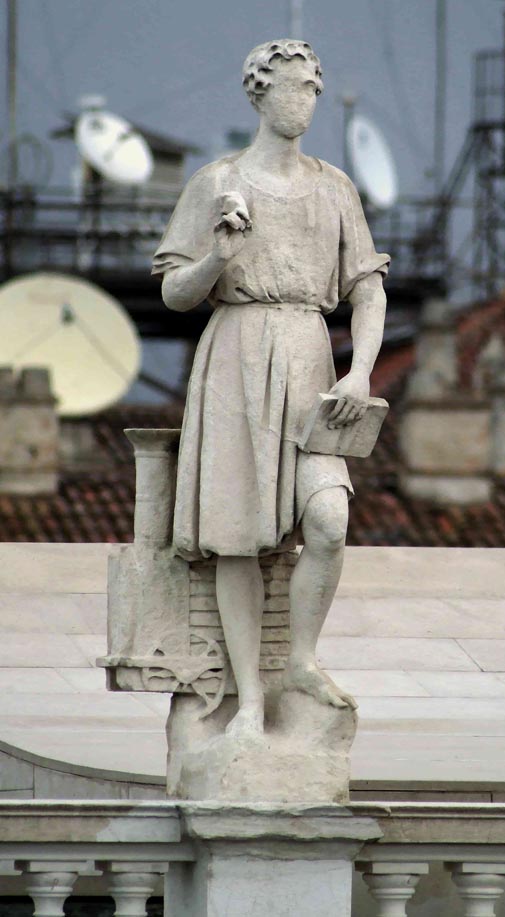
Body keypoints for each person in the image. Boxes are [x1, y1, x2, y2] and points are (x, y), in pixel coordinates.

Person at [152, 39, 389, 738]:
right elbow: (174, 293)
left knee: (329, 520)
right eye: (291, 87)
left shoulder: (334, 186)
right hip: (236, 353)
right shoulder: (216, 181)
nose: (304, 101)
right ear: (258, 93)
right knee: (237, 537)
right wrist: (218, 256)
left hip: (311, 359)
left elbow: (368, 290)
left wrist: (361, 369)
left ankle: (301, 661)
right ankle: (249, 698)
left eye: (312, 88)